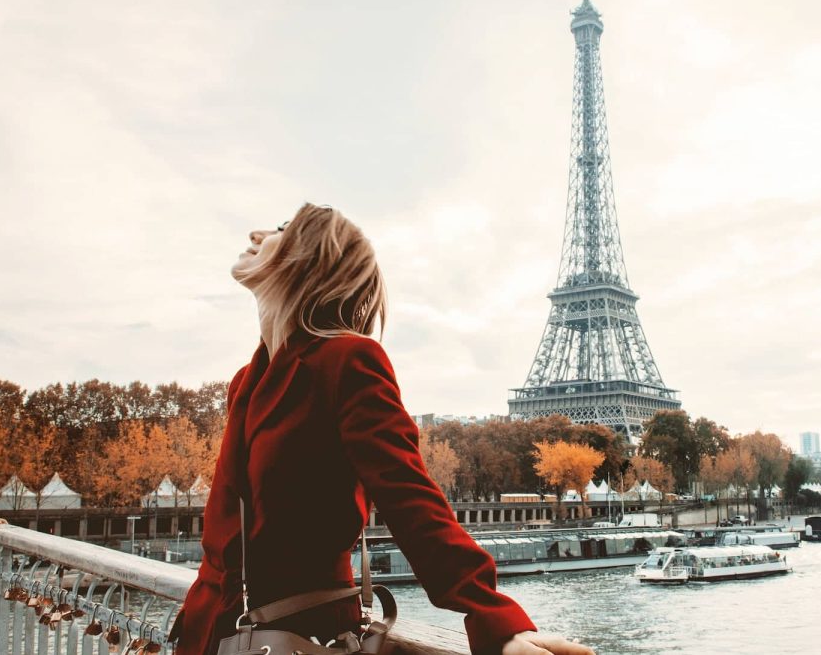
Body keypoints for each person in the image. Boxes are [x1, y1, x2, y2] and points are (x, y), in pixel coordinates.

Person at [172, 204, 592, 655]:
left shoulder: (348, 361)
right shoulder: (246, 382)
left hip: (298, 638)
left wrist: (492, 617)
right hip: (214, 637)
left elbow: (409, 497)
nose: (256, 234)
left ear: (308, 257)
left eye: (279, 228)